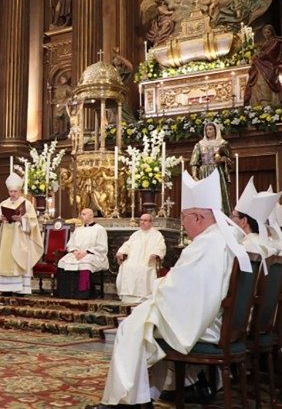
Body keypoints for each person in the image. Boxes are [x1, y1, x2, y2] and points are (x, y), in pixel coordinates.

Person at [89, 169, 249, 408]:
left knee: (131, 328)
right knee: (144, 321)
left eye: (184, 217)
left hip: (208, 326)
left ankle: (127, 401)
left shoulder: (207, 244)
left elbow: (182, 291)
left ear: (198, 217)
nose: (182, 224)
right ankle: (181, 385)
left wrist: (158, 285)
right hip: (222, 320)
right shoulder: (225, 240)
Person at [0, 173, 43, 295]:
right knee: (4, 260)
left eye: (15, 191)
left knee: (19, 260)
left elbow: (33, 222)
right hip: (5, 238)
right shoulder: (4, 203)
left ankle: (20, 289)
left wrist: (21, 219)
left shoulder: (26, 204)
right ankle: (5, 289)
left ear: (19, 191)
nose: (12, 194)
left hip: (19, 238)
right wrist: (0, 219)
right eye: (10, 191)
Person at [56, 208, 109, 299]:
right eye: (82, 214)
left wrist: (86, 252)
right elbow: (70, 244)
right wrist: (74, 251)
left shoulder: (100, 229)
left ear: (91, 215)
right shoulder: (78, 230)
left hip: (93, 254)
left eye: (84, 214)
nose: (82, 216)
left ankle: (83, 293)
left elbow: (102, 247)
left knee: (85, 264)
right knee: (62, 262)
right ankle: (65, 293)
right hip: (77, 253)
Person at [115, 213, 167, 305]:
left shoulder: (157, 234)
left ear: (151, 222)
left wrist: (155, 254)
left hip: (148, 261)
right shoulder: (136, 234)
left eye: (145, 220)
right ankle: (128, 296)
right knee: (126, 267)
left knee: (143, 269)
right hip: (133, 260)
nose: (142, 222)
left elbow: (161, 247)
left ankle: (144, 297)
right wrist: (121, 252)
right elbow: (127, 245)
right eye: (141, 220)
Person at [230, 178, 281, 261]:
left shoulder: (244, 247)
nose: (230, 221)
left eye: (232, 217)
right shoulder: (268, 245)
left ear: (244, 221)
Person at [190, 122, 233, 214]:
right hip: (204, 173)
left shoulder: (223, 144)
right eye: (206, 129)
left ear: (216, 130)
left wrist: (222, 159)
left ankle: (222, 216)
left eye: (210, 129)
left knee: (218, 195)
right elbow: (194, 162)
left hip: (217, 172)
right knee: (205, 197)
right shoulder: (200, 145)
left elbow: (230, 160)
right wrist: (194, 176)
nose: (208, 131)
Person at [244, 24, 282, 106]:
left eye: (268, 32)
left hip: (269, 65)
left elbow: (269, 53)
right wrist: (257, 56)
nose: (266, 34)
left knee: (264, 84)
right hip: (260, 65)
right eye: (264, 33)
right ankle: (259, 102)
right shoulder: (265, 43)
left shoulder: (276, 41)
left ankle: (268, 101)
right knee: (257, 84)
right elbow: (261, 52)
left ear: (272, 32)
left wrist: (258, 56)